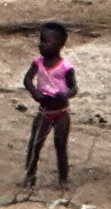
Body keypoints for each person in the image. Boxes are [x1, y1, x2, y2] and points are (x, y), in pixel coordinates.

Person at [17, 19, 81, 197]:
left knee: (60, 145)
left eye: (46, 42)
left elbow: (74, 88)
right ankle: (30, 176)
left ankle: (63, 178)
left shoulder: (66, 67)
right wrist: (35, 93)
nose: (41, 45)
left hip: (61, 112)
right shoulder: (38, 62)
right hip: (45, 110)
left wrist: (65, 95)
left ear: (59, 45)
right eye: (41, 40)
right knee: (35, 144)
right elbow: (27, 80)